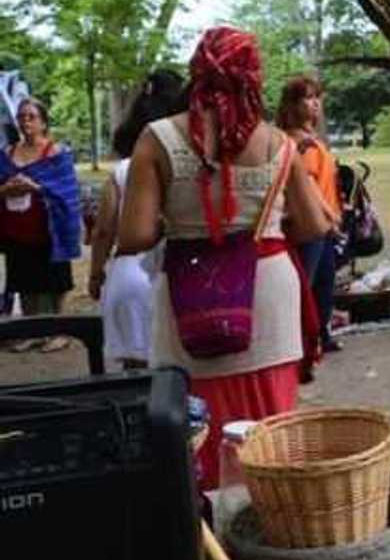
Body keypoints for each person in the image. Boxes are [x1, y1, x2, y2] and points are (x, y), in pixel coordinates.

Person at [117, 27, 331, 488]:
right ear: (253, 77)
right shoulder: (279, 143)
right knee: (270, 429)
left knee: (197, 424)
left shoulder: (157, 139)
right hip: (268, 294)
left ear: (198, 71)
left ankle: (207, 533)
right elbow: (315, 225)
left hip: (192, 295)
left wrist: (178, 221)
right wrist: (267, 221)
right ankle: (271, 524)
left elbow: (134, 234)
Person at [88, 70, 185, 369]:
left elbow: (104, 230)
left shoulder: (121, 172)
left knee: (134, 371)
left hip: (128, 273)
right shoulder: (185, 165)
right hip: (174, 272)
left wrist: (96, 273)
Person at [0, 98, 81, 350]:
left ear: (43, 122)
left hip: (50, 229)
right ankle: (30, 331)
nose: (26, 122)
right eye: (22, 117)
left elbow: (67, 191)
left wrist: (34, 187)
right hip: (17, 229)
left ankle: (59, 332)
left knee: (55, 280)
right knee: (23, 279)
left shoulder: (56, 154)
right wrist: (6, 189)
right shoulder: (8, 153)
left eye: (31, 117)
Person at [277, 75, 343, 354]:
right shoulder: (299, 144)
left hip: (324, 225)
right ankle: (301, 342)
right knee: (308, 281)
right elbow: (308, 183)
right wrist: (329, 214)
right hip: (310, 224)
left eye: (317, 97)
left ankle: (321, 334)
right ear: (293, 105)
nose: (315, 103)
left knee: (325, 282)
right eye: (308, 97)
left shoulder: (311, 140)